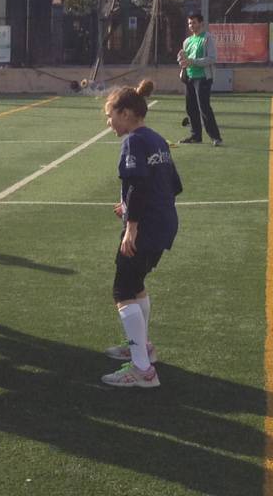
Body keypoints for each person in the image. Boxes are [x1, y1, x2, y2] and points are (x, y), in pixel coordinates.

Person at [100, 80, 181, 388]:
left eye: (111, 114)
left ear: (127, 113)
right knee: (136, 286)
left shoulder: (133, 142)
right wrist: (129, 206)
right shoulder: (158, 139)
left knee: (122, 291)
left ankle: (142, 370)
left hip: (145, 227)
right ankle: (142, 347)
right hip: (164, 221)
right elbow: (172, 185)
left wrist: (132, 225)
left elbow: (136, 184)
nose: (109, 122)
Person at [177, 14, 223, 146]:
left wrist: (193, 61)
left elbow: (212, 58)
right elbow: (185, 60)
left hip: (202, 78)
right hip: (189, 78)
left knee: (204, 108)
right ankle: (195, 136)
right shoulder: (187, 41)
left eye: (194, 23)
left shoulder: (207, 39)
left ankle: (216, 137)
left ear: (201, 23)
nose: (192, 26)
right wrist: (182, 60)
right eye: (190, 23)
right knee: (190, 108)